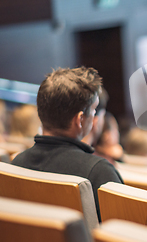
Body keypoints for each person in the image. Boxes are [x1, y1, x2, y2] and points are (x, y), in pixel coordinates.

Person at [11, 67, 123, 221]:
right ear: (80, 120)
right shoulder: (98, 172)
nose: (95, 116)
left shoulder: (17, 163)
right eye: (94, 110)